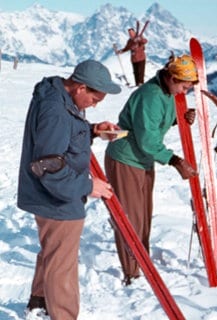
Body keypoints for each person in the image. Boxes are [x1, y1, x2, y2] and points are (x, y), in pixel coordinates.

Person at [17, 60, 121, 320]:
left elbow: (62, 137)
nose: (95, 104)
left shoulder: (61, 99)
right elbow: (48, 166)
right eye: (95, 98)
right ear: (80, 87)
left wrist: (92, 130)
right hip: (57, 198)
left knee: (53, 252)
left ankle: (39, 302)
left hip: (53, 195)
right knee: (62, 266)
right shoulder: (56, 111)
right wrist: (88, 186)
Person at [104, 54, 199, 285]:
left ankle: (140, 259)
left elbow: (156, 122)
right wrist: (175, 161)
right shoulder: (150, 96)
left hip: (143, 160)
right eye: (183, 86)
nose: (184, 92)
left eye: (188, 88)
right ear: (172, 77)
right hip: (127, 159)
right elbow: (147, 139)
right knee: (131, 218)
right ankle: (132, 273)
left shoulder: (166, 92)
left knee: (143, 215)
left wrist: (179, 118)